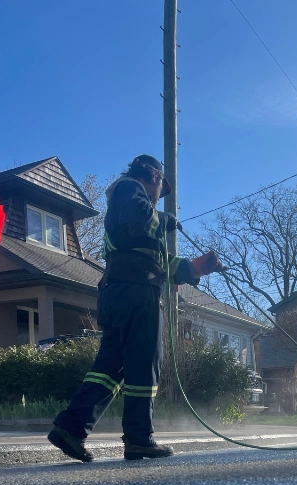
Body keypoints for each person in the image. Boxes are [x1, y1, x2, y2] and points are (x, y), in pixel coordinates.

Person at [48, 154, 225, 461]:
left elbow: (158, 265)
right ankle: (139, 439)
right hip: (136, 294)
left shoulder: (130, 219)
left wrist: (196, 268)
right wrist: (167, 221)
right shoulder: (128, 189)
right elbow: (140, 214)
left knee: (108, 370)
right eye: (160, 189)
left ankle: (70, 428)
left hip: (120, 292)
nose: (159, 199)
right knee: (145, 363)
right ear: (154, 177)